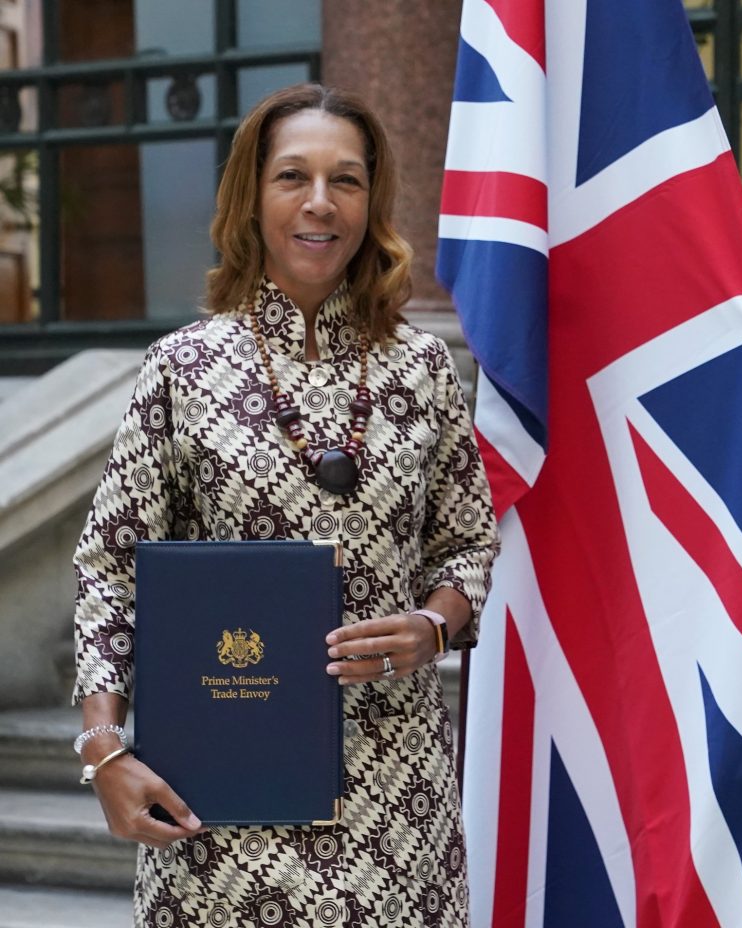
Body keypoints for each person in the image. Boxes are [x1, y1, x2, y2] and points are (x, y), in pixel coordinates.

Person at [71, 83, 499, 926]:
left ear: (372, 202)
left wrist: (434, 626)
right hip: (220, 806)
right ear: (250, 196)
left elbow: (467, 543)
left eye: (347, 180)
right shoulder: (183, 369)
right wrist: (104, 749)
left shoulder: (424, 369)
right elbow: (109, 570)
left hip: (395, 806)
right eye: (293, 176)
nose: (320, 202)